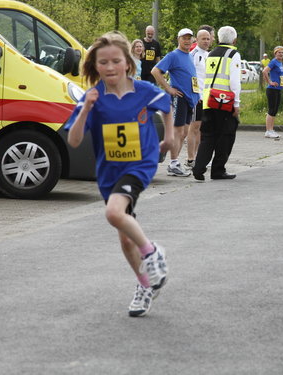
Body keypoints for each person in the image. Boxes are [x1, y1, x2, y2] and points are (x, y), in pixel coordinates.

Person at [64, 31, 174, 317]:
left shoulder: (143, 90)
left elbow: (166, 106)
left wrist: (170, 137)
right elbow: (74, 141)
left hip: (140, 163)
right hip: (109, 171)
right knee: (125, 238)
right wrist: (86, 108)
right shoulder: (94, 97)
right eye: (103, 62)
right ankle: (145, 285)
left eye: (116, 61)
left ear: (127, 62)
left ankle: (153, 254)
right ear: (95, 66)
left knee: (114, 213)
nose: (110, 67)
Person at [192, 26, 241, 181]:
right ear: (234, 40)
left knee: (208, 136)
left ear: (218, 38)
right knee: (226, 136)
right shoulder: (233, 54)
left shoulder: (210, 54)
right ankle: (218, 170)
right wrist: (236, 103)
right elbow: (234, 81)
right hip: (225, 102)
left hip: (209, 100)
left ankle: (198, 169)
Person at [151, 28, 200, 177]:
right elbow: (155, 71)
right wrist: (168, 88)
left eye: (189, 38)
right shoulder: (173, 55)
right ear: (178, 39)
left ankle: (175, 163)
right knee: (178, 131)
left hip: (190, 99)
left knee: (184, 132)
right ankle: (173, 163)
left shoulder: (189, 55)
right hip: (179, 97)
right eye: (184, 38)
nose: (187, 40)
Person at [185, 29, 212, 169]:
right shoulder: (193, 54)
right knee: (194, 127)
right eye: (203, 39)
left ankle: (197, 157)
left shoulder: (209, 55)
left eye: (208, 39)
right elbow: (191, 76)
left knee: (201, 128)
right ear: (197, 39)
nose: (206, 41)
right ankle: (190, 159)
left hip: (207, 97)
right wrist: (195, 94)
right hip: (197, 96)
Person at [263, 46, 283, 139]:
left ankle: (271, 130)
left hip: (278, 89)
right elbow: (265, 71)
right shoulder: (273, 62)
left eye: (282, 52)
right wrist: (270, 82)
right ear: (275, 53)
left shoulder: (280, 63)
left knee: (275, 110)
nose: (281, 54)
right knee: (271, 110)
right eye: (279, 52)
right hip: (272, 89)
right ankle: (268, 131)